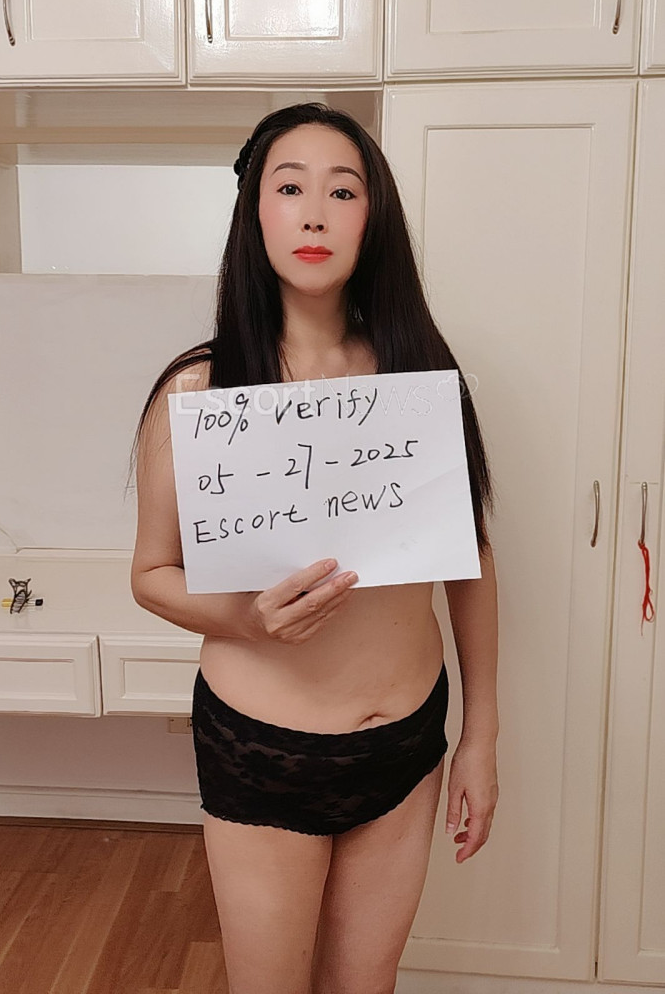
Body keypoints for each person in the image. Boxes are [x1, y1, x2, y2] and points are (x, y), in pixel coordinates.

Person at [128, 102, 500, 994]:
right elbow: (149, 575)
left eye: (343, 191)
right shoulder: (200, 389)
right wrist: (246, 621)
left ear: (373, 218)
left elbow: (471, 562)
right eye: (289, 187)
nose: (315, 214)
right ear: (254, 212)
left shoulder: (416, 376)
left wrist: (480, 736)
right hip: (264, 750)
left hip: (406, 744)